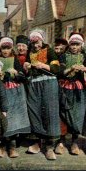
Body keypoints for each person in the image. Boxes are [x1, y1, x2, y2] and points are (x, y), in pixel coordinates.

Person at [23, 29, 61, 160]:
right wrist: (27, 66)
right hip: (33, 84)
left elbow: (56, 69)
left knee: (50, 113)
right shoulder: (30, 52)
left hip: (48, 84)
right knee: (35, 111)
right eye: (32, 43)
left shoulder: (49, 51)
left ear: (42, 40)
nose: (35, 45)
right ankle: (38, 142)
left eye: (37, 42)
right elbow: (27, 69)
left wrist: (43, 65)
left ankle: (50, 147)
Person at [0, 37, 30, 158]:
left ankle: (12, 146)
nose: (5, 51)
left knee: (14, 117)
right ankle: (2, 145)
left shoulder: (14, 59)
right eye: (3, 48)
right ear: (0, 48)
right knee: (2, 117)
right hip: (1, 90)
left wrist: (15, 72)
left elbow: (22, 77)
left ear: (11, 49)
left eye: (8, 48)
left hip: (15, 91)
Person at [58, 33, 86, 156]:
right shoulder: (63, 56)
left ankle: (74, 142)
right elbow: (61, 72)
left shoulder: (85, 56)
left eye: (77, 45)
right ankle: (61, 142)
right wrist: (71, 69)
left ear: (81, 46)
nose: (74, 47)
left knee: (78, 114)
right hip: (65, 87)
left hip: (79, 88)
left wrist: (84, 69)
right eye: (72, 44)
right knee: (63, 113)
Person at [52, 37, 69, 155]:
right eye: (56, 48)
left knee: (63, 113)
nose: (58, 50)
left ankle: (61, 141)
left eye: (61, 48)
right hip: (52, 86)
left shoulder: (67, 57)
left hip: (65, 87)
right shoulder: (51, 57)